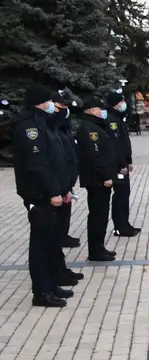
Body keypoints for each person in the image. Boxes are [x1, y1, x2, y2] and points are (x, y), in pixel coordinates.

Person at [12, 87, 74, 308]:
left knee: (50, 243)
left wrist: (63, 188)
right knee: (40, 246)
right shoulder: (30, 127)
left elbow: (57, 161)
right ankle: (41, 292)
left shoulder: (44, 123)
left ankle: (50, 285)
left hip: (51, 192)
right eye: (48, 100)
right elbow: (37, 165)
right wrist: (52, 192)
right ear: (39, 103)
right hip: (39, 195)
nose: (52, 104)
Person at [76, 97, 120, 263]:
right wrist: (106, 176)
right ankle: (95, 251)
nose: (103, 111)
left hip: (99, 179)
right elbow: (94, 156)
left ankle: (99, 248)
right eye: (100, 109)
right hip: (97, 180)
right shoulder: (89, 129)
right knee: (97, 216)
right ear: (92, 110)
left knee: (101, 215)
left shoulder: (95, 126)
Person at [105, 92, 140, 238]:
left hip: (122, 164)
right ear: (116, 103)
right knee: (120, 195)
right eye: (121, 101)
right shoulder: (112, 120)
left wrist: (128, 161)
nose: (123, 104)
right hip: (117, 166)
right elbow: (116, 146)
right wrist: (122, 164)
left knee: (124, 194)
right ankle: (120, 227)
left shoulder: (117, 118)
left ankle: (124, 224)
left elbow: (124, 144)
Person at [50, 93, 81, 251]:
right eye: (62, 107)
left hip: (67, 178)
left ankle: (64, 235)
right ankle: (59, 237)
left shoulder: (64, 127)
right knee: (59, 213)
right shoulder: (53, 129)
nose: (66, 110)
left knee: (66, 209)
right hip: (58, 181)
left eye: (67, 107)